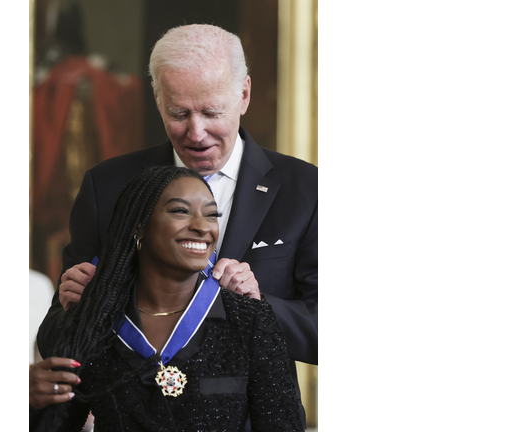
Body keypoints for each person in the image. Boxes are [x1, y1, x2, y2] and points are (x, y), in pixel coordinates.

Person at [36, 23, 317, 427]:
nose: (196, 132)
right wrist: (71, 306)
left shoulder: (307, 190)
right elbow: (56, 340)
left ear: (244, 94)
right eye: (179, 113)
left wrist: (260, 307)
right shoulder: (108, 186)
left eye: (211, 112)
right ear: (157, 98)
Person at [30, 166, 304, 431]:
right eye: (181, 211)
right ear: (139, 227)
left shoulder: (251, 320)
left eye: (211, 215)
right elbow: (55, 424)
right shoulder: (93, 321)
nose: (201, 227)